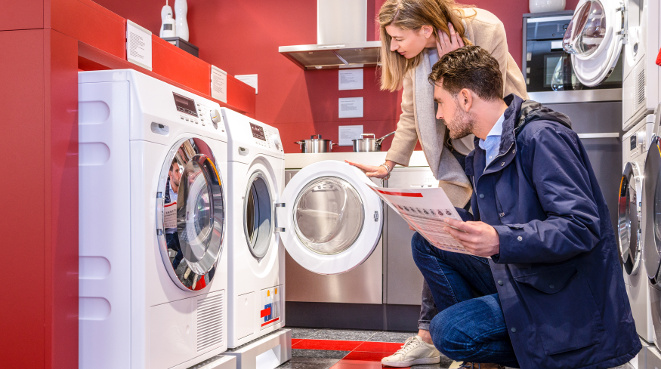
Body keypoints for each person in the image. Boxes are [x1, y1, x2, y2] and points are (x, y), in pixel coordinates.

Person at [413, 45, 641, 368]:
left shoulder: (541, 136)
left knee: (446, 331)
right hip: (520, 275)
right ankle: (488, 352)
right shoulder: (484, 149)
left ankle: (527, 348)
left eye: (440, 103)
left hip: (559, 296)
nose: (438, 114)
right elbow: (487, 225)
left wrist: (500, 240)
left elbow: (581, 226)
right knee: (424, 242)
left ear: (465, 99)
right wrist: (433, 218)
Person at [346, 0, 527, 366]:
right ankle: (444, 338)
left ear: (426, 29)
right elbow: (412, 114)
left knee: (478, 241)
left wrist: (465, 61)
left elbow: (496, 95)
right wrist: (390, 162)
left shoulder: (486, 28)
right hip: (454, 157)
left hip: (495, 149)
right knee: (439, 236)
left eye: (397, 38)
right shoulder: (417, 59)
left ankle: (462, 339)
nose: (394, 47)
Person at [165, 159, 184, 269]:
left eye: (180, 171)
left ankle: (175, 266)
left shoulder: (184, 190)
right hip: (166, 233)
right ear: (170, 173)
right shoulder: (163, 191)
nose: (179, 174)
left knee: (189, 243)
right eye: (176, 171)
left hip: (179, 232)